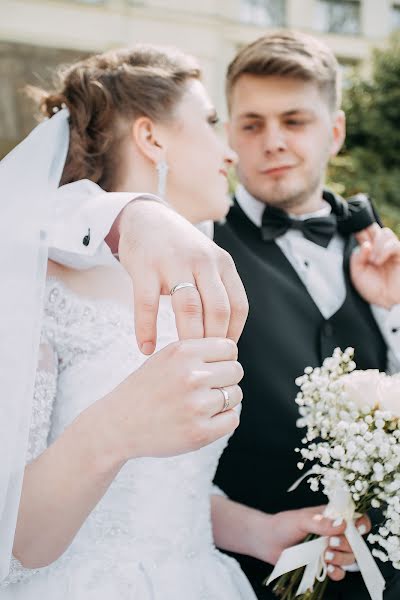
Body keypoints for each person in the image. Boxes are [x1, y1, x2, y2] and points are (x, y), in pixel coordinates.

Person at [0, 45, 361, 599]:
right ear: (152, 138)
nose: (229, 153)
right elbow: (11, 545)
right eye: (213, 124)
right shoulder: (41, 285)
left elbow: (162, 495)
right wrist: (113, 428)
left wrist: (261, 532)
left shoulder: (196, 285)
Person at [213, 30, 400, 599]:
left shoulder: (379, 252)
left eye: (294, 121)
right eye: (252, 124)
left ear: (334, 132)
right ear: (229, 137)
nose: (272, 142)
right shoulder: (200, 248)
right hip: (249, 577)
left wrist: (390, 310)